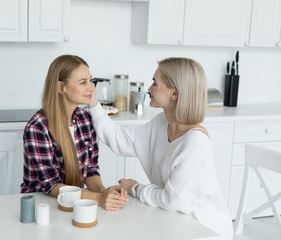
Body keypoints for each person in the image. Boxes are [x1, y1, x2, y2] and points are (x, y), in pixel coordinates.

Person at [88, 57, 233, 239]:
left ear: (174, 94)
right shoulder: (161, 123)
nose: (149, 89)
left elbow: (174, 200)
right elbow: (120, 141)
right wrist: (93, 102)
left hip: (205, 230)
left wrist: (136, 188)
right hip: (174, 219)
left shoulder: (195, 142)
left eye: (155, 83)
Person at [21, 54, 128, 211]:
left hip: (75, 204)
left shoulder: (85, 119)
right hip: (41, 206)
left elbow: (90, 170)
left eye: (90, 81)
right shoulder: (37, 128)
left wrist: (104, 191)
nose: (91, 87)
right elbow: (51, 186)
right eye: (83, 82)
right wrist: (99, 198)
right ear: (60, 88)